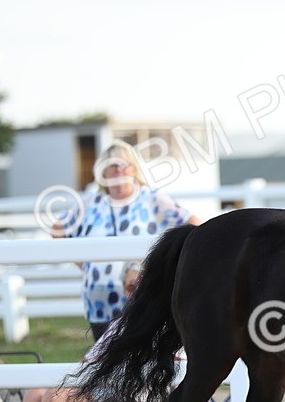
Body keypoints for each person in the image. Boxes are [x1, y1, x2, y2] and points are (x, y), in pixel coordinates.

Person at [51, 141, 200, 340]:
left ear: (134, 169)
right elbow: (57, 230)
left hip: (141, 295)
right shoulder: (90, 202)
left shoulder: (152, 198)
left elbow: (194, 225)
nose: (119, 170)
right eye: (113, 165)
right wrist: (84, 264)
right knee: (106, 362)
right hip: (99, 300)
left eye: (125, 164)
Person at [16, 261, 144, 402]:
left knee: (55, 399)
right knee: (35, 395)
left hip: (135, 393)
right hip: (104, 386)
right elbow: (88, 361)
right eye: (129, 288)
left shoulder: (164, 320)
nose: (133, 293)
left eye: (139, 286)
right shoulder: (121, 322)